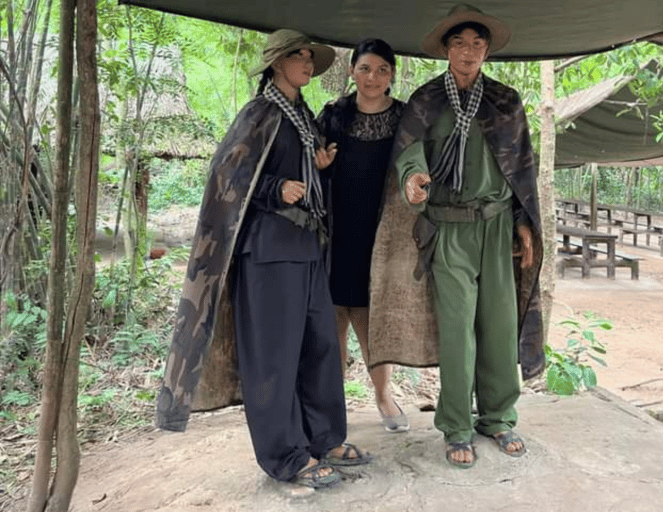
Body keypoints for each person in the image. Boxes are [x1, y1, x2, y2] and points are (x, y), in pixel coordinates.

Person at [154, 29, 371, 489]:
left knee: (320, 348)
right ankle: (287, 457)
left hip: (307, 248)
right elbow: (227, 175)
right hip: (270, 252)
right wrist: (275, 189)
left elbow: (297, 171)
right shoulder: (259, 112)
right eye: (298, 56)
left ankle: (325, 438)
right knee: (274, 356)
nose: (308, 63)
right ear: (276, 64)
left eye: (311, 57)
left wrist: (318, 169)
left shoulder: (300, 115)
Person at [368, 4, 545, 468]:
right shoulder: (427, 100)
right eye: (460, 43)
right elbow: (408, 154)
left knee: (501, 327)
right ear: (446, 49)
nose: (469, 52)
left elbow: (522, 166)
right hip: (447, 228)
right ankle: (456, 427)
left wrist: (525, 222)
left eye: (478, 44)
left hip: (497, 226)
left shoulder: (506, 101)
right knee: (457, 333)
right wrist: (413, 180)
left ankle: (498, 418)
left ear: (486, 51)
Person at [316, 39, 409, 433]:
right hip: (336, 230)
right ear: (352, 71)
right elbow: (312, 165)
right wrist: (319, 165)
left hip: (383, 233)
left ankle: (384, 396)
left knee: (375, 320)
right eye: (366, 68)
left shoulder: (405, 117)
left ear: (392, 76)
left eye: (382, 70)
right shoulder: (334, 114)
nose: (373, 78)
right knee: (333, 316)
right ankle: (332, 407)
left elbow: (417, 164)